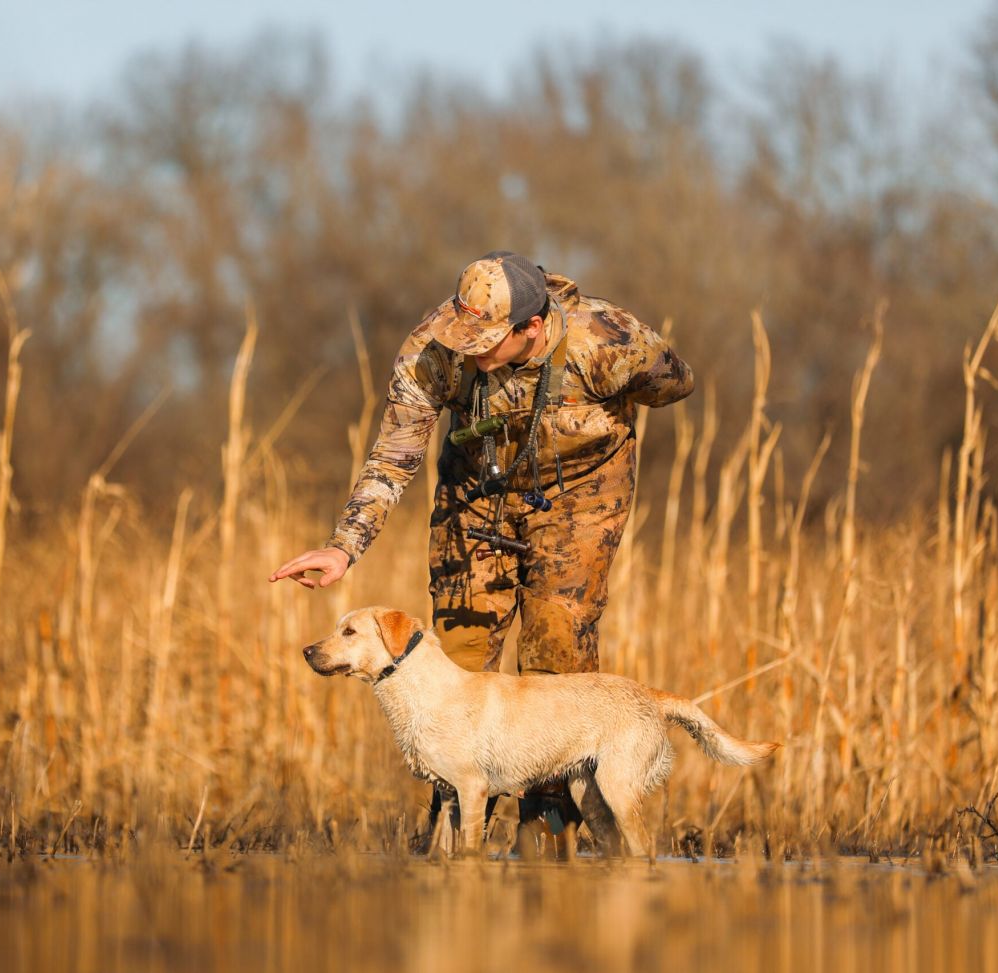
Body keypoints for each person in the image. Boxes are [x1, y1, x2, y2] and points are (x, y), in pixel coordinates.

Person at [268, 251, 694, 854]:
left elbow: (677, 382)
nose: (470, 349)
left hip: (580, 501)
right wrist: (344, 549)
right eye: (463, 334)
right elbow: (393, 455)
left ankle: (547, 841)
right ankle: (449, 841)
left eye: (486, 341)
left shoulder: (606, 338)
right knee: (453, 657)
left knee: (557, 651)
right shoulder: (434, 349)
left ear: (533, 328)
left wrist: (600, 411)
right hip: (476, 497)